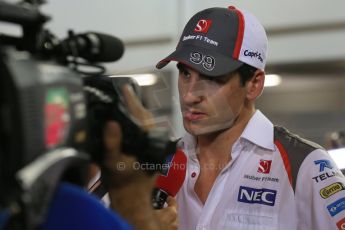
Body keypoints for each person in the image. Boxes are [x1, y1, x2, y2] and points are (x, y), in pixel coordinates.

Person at [155, 5, 345, 230]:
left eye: (211, 78)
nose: (189, 95)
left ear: (254, 84)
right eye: (185, 73)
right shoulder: (155, 165)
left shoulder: (306, 166)